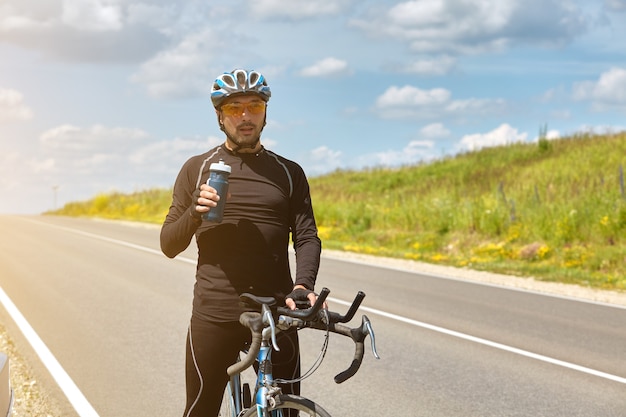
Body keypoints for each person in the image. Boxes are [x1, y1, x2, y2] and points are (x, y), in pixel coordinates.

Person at [160, 69, 322, 417]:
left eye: (254, 107)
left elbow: (306, 235)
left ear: (265, 112)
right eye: (235, 109)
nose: (245, 116)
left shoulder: (289, 172)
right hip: (215, 314)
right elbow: (168, 244)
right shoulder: (197, 168)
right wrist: (194, 213)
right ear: (220, 116)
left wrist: (303, 285)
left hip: (276, 313)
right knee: (201, 409)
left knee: (285, 410)